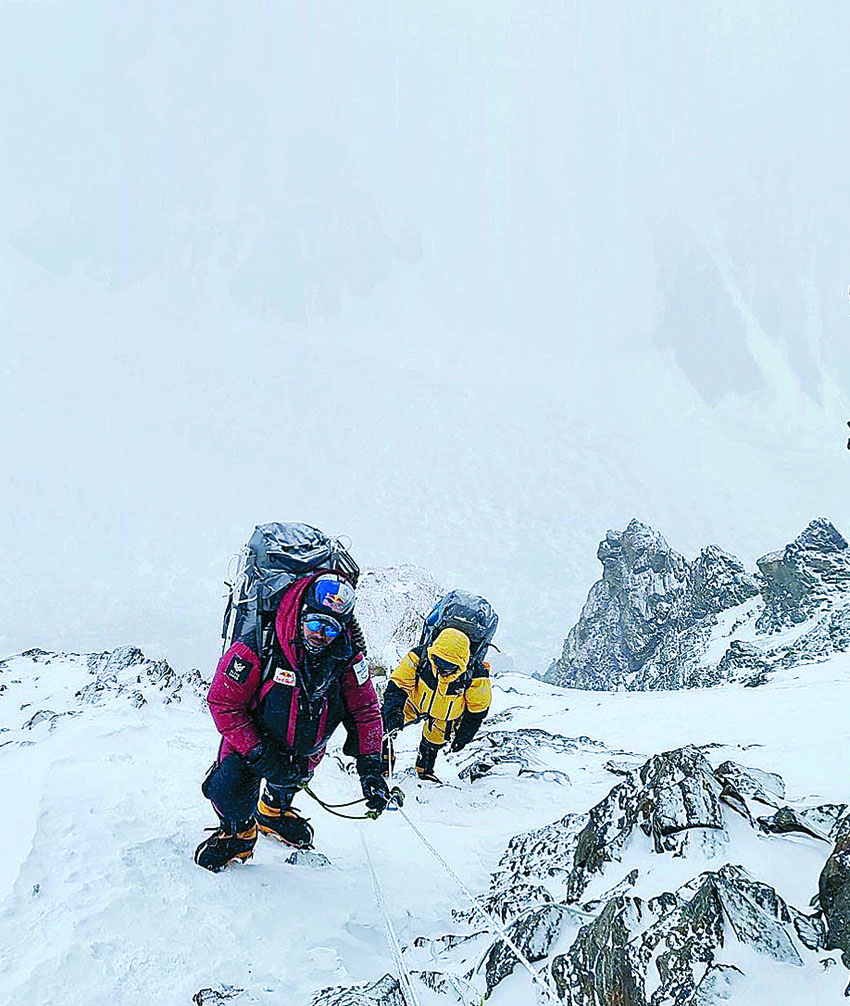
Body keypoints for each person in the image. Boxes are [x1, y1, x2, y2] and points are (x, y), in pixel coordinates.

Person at [195, 571, 391, 872]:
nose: (320, 634)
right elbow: (223, 702)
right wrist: (258, 751)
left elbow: (365, 710)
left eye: (331, 628)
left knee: (291, 779)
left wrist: (371, 769)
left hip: (304, 749)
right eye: (314, 623)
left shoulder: (347, 658)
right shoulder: (259, 645)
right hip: (249, 745)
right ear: (301, 614)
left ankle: (273, 813)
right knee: (230, 787)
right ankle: (238, 834)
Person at [380, 625, 492, 783]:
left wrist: (463, 736)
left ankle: (424, 770)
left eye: (449, 665)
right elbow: (398, 685)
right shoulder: (419, 657)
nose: (441, 668)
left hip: (444, 716)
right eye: (438, 661)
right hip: (414, 702)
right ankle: (382, 764)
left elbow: (477, 711)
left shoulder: (476, 675)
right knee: (383, 724)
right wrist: (394, 712)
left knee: (434, 742)